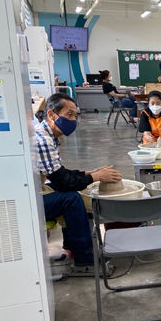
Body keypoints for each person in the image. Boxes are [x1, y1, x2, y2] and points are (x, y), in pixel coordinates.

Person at [34, 93, 122, 272]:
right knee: (71, 199)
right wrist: (95, 177)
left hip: (31, 190)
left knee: (63, 192)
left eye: (75, 115)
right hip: (25, 201)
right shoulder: (42, 140)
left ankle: (72, 247)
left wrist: (88, 173)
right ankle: (85, 259)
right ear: (51, 114)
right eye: (69, 114)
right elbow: (63, 182)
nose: (73, 120)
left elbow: (59, 173)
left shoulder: (48, 134)